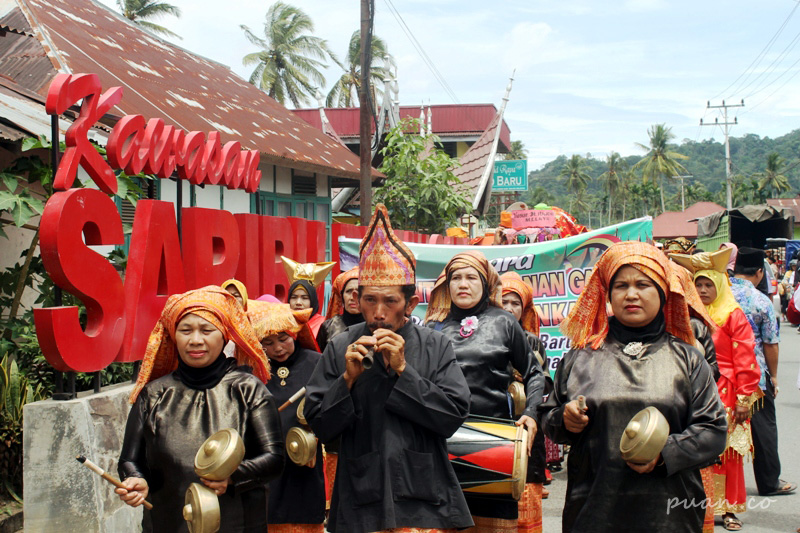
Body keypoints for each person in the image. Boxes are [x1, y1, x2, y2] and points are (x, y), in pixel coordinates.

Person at [304, 204, 473, 533]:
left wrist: (404, 371)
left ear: (410, 304)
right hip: (360, 495)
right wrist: (348, 380)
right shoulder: (341, 347)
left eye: (390, 302)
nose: (378, 313)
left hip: (423, 497)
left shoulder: (434, 346)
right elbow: (320, 426)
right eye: (369, 300)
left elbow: (452, 417)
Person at [540, 241, 727, 533]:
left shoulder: (688, 359)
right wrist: (563, 418)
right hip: (593, 508)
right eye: (621, 286)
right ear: (608, 295)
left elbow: (714, 431)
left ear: (663, 293)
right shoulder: (581, 356)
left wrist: (664, 453)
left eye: (643, 284)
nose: (631, 294)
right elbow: (548, 419)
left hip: (669, 513)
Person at [116, 286, 284, 532]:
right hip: (169, 520)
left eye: (207, 330)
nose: (196, 340)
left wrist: (234, 476)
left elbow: (274, 458)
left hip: (237, 521)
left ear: (224, 335)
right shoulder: (153, 395)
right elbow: (130, 459)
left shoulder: (248, 390)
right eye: (185, 330)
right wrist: (135, 479)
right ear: (174, 336)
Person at [424, 251, 545, 531]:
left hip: (495, 449)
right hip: (441, 446)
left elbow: (534, 373)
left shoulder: (504, 322)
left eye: (470, 277)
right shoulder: (433, 327)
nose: (462, 284)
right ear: (447, 284)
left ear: (486, 284)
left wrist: (531, 414)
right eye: (456, 278)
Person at [672, 248, 762, 531]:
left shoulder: (733, 315)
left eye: (708, 284)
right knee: (696, 451)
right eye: (698, 284)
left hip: (727, 390)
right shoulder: (688, 315)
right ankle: (702, 507)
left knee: (728, 456)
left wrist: (745, 396)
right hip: (694, 391)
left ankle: (729, 510)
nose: (702, 289)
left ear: (720, 283)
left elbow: (745, 357)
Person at [248, 300, 326, 533]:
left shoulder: (316, 363)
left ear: (295, 334)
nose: (278, 348)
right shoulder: (254, 369)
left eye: (283, 339)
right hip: (266, 457)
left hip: (304, 459)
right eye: (268, 343)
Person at [730, 248, 796, 497]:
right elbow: (770, 342)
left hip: (720, 374)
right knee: (763, 428)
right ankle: (769, 483)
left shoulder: (718, 294)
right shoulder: (760, 301)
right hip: (754, 376)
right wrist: (774, 376)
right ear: (759, 272)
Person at [500, 271, 548, 532]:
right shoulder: (487, 336)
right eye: (504, 301)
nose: (509, 308)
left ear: (524, 308)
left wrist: (529, 380)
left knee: (526, 491)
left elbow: (546, 382)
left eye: (515, 303)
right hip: (494, 423)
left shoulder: (534, 342)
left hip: (525, 423)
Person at [282, 256, 335, 338]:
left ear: (312, 301)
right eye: (294, 297)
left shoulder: (324, 325)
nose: (298, 302)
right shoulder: (282, 324)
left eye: (304, 298)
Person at [317, 266, 364, 353]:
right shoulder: (328, 327)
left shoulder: (374, 325)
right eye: (348, 291)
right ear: (342, 296)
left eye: (358, 291)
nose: (353, 297)